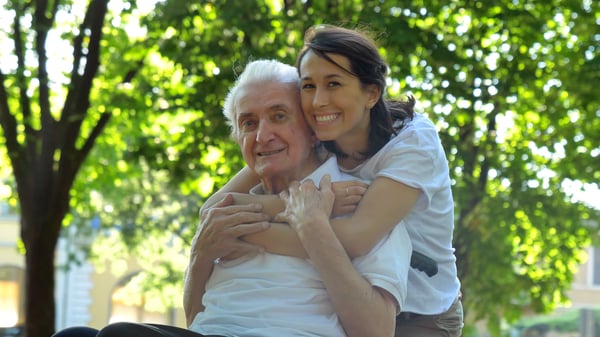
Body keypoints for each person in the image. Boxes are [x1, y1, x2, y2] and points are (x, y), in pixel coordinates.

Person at [52, 59, 411, 337]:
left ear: (314, 129)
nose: (263, 135)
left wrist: (314, 229)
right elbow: (197, 319)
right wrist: (201, 254)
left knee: (119, 335)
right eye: (249, 123)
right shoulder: (227, 211)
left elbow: (378, 331)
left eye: (279, 116)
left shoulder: (361, 201)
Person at [200, 25, 463, 337]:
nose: (318, 101)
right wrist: (321, 198)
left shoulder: (413, 143)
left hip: (421, 311)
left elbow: (353, 239)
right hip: (352, 297)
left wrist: (248, 231)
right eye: (309, 86)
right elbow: (214, 208)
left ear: (371, 93)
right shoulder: (322, 135)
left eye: (334, 83)